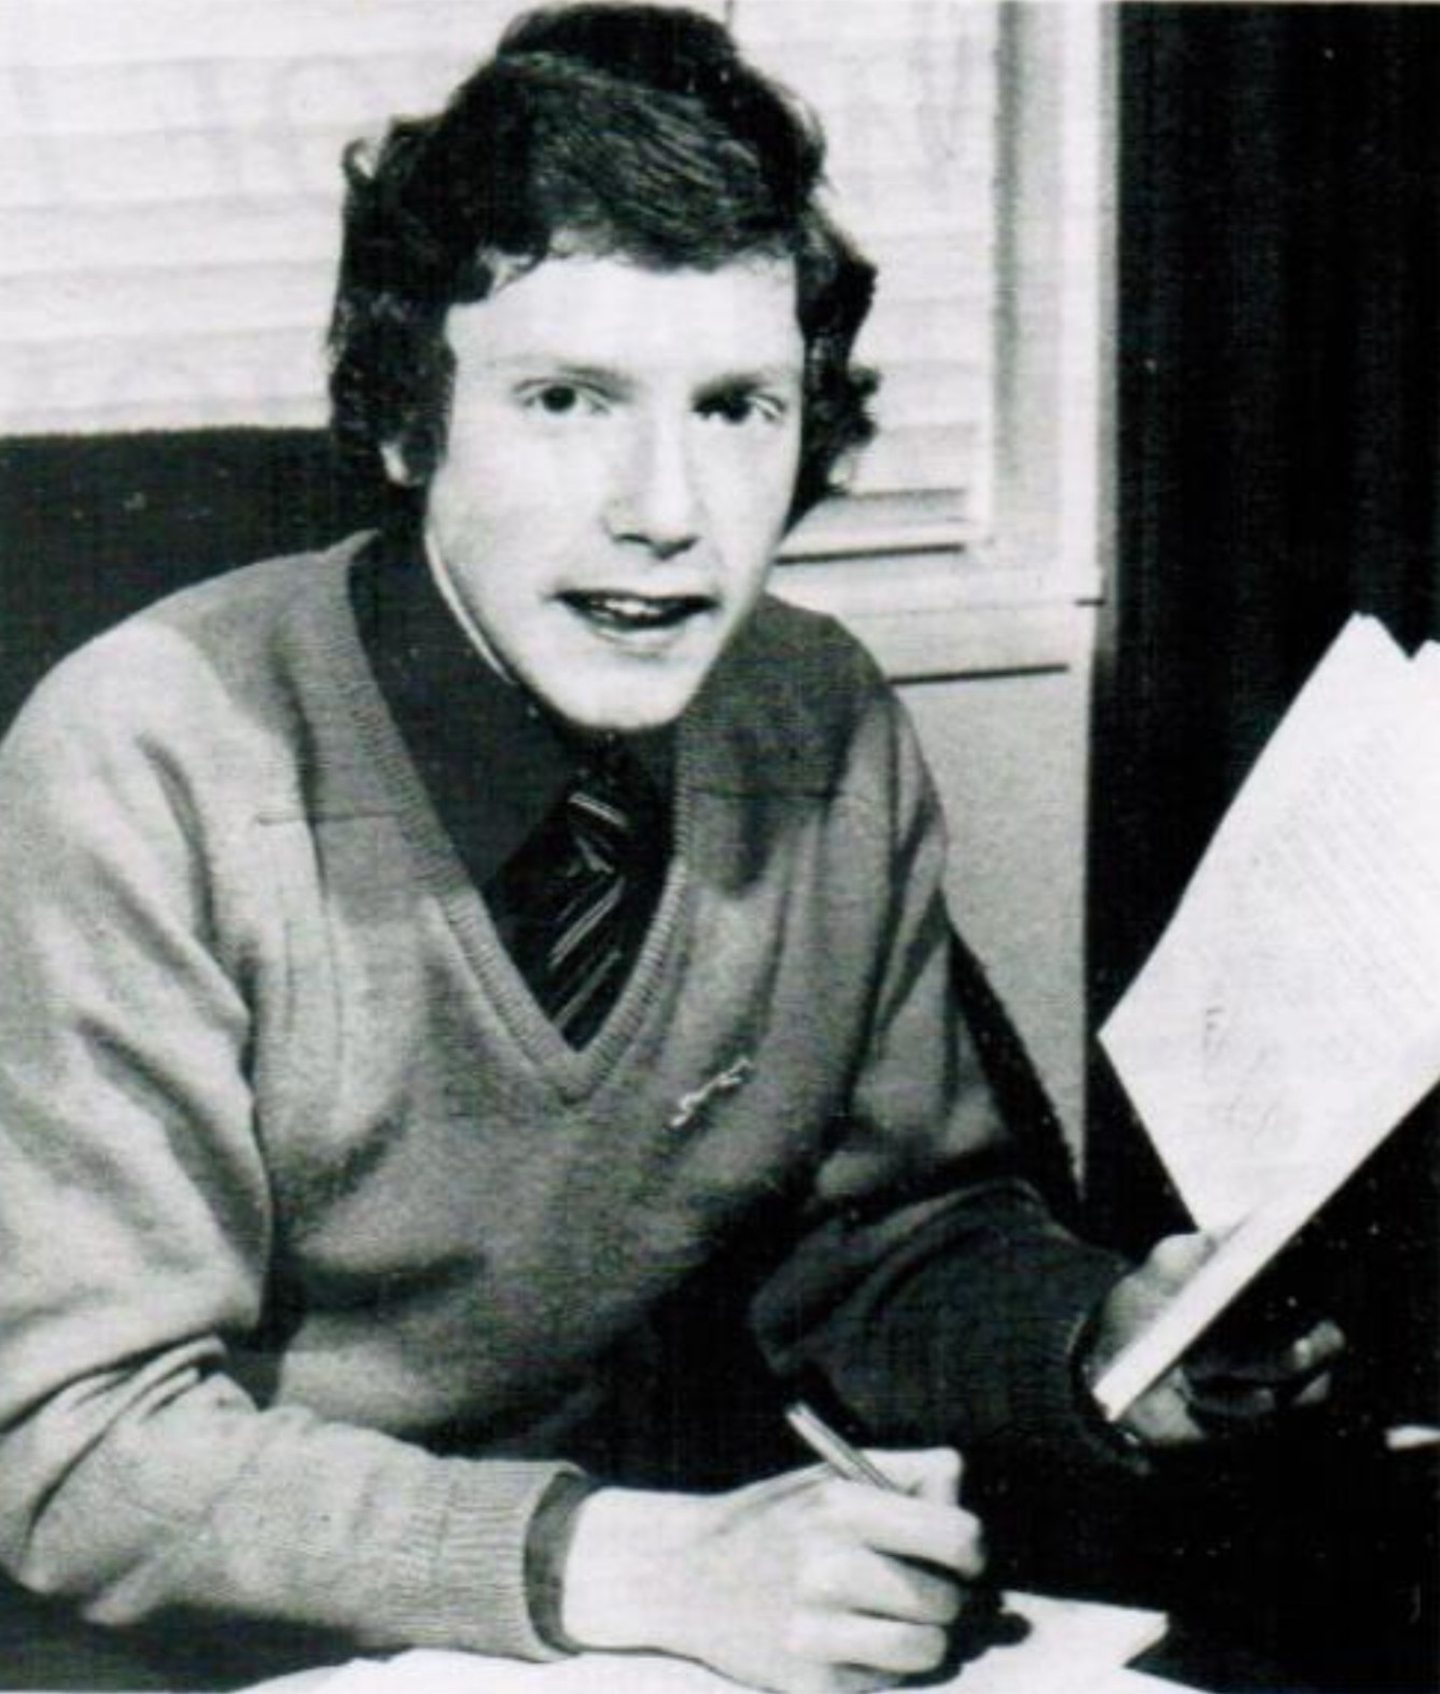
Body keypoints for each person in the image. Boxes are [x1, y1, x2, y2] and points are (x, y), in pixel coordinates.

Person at [0, 7, 1341, 1691]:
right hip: (184, 1635)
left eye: (735, 408)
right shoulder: (142, 758)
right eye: (567, 399)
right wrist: (624, 1557)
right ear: (410, 422)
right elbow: (75, 1446)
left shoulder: (817, 722)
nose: (664, 505)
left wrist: (1097, 1345)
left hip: (591, 1630)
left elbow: (880, 1250)